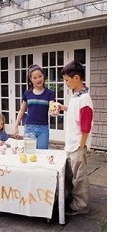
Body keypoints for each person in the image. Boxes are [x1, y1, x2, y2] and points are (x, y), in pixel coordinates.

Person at [58, 61, 93, 215]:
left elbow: (86, 127)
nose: (65, 83)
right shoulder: (76, 95)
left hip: (77, 145)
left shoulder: (84, 99)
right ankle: (72, 200)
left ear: (77, 78)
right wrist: (62, 107)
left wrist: (81, 146)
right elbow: (74, 111)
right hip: (70, 143)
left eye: (66, 80)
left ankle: (81, 205)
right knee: (70, 175)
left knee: (79, 178)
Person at [13, 64, 56, 149]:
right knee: (29, 153)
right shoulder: (27, 93)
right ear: (31, 79)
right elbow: (22, 110)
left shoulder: (49, 93)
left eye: (40, 76)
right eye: (35, 77)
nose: (38, 79)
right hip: (29, 128)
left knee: (43, 154)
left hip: (43, 129)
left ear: (43, 76)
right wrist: (15, 126)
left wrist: (54, 110)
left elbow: (52, 106)